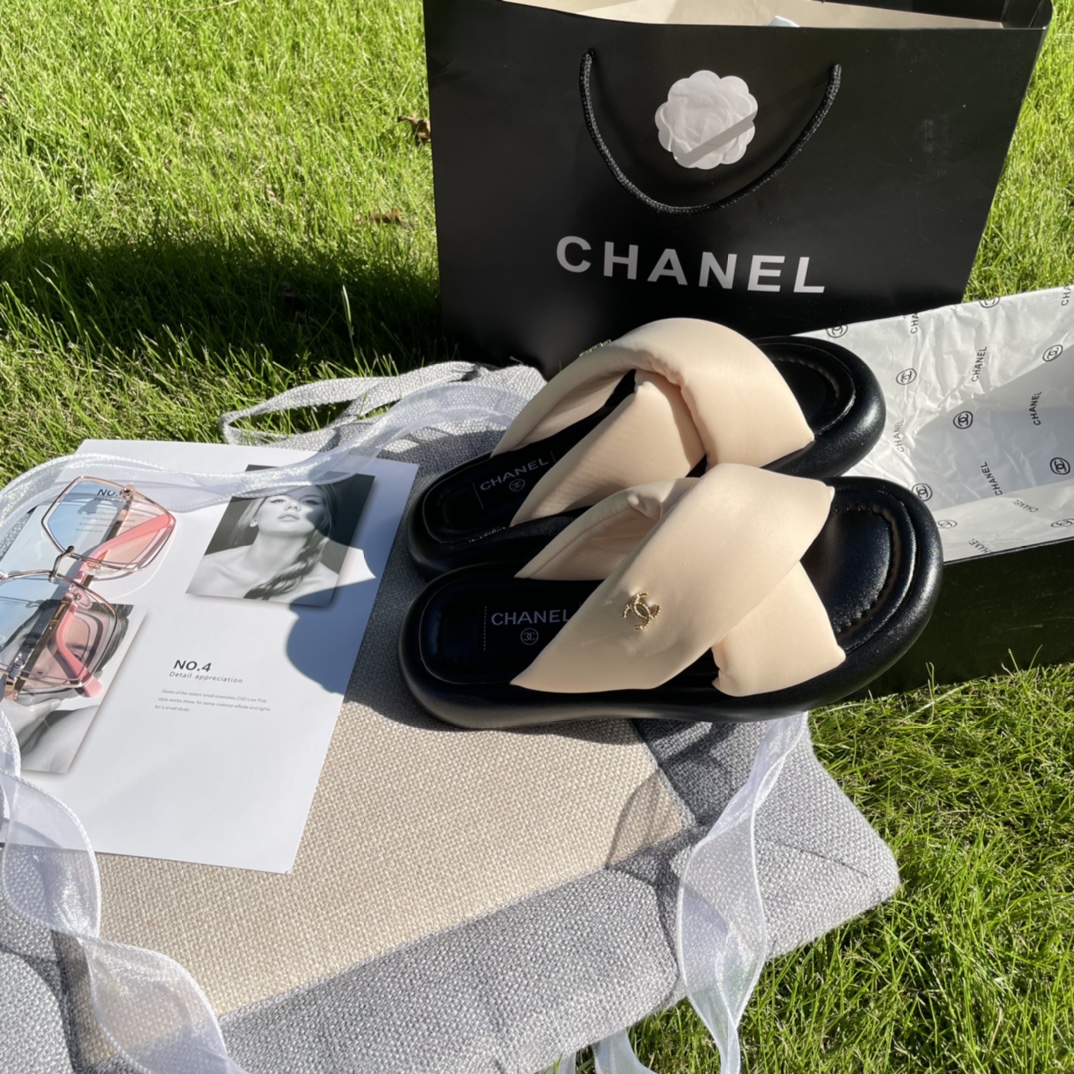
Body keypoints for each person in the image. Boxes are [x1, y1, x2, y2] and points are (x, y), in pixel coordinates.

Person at [187, 484, 360, 604]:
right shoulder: (202, 569)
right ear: (254, 517)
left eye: (310, 501)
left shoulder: (331, 588)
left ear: (323, 522)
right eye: (278, 500)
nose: (292, 506)